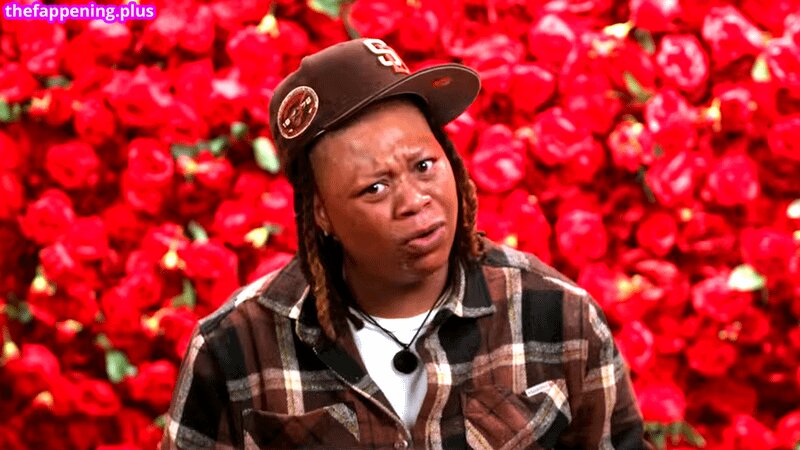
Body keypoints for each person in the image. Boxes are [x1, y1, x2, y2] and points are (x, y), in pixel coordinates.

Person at [162, 38, 650, 449]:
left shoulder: (558, 316)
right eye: (375, 188)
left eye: (424, 166)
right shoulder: (234, 348)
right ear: (322, 214)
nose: (415, 201)